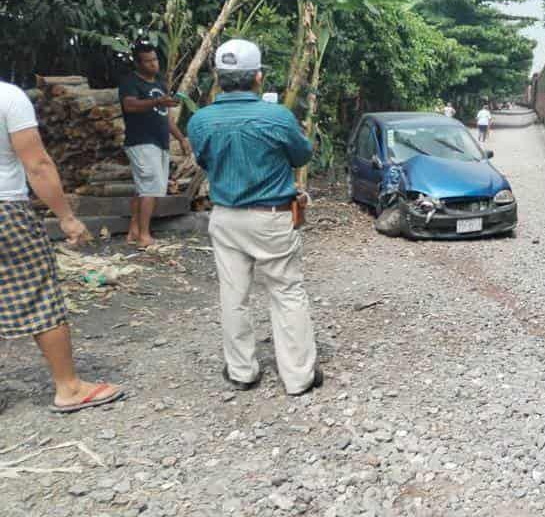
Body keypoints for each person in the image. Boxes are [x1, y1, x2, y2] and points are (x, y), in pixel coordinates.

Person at [187, 39, 322, 397]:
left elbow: (203, 160)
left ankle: (242, 371)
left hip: (225, 217)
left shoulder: (200, 121)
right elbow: (302, 155)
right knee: (287, 292)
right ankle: (298, 377)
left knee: (233, 294)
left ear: (218, 77)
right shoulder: (276, 117)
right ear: (258, 78)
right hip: (272, 218)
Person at [0, 81, 125, 414]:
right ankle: (69, 387)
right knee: (39, 293)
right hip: (5, 209)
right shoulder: (8, 97)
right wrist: (66, 217)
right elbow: (37, 164)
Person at [119, 42, 191, 248]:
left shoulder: (159, 84)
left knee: (144, 187)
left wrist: (181, 138)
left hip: (160, 141)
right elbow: (130, 105)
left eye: (155, 60)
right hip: (141, 141)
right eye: (148, 61)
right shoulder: (130, 82)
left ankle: (134, 230)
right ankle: (144, 235)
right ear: (138, 64)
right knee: (150, 188)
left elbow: (165, 118)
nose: (153, 64)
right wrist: (157, 102)